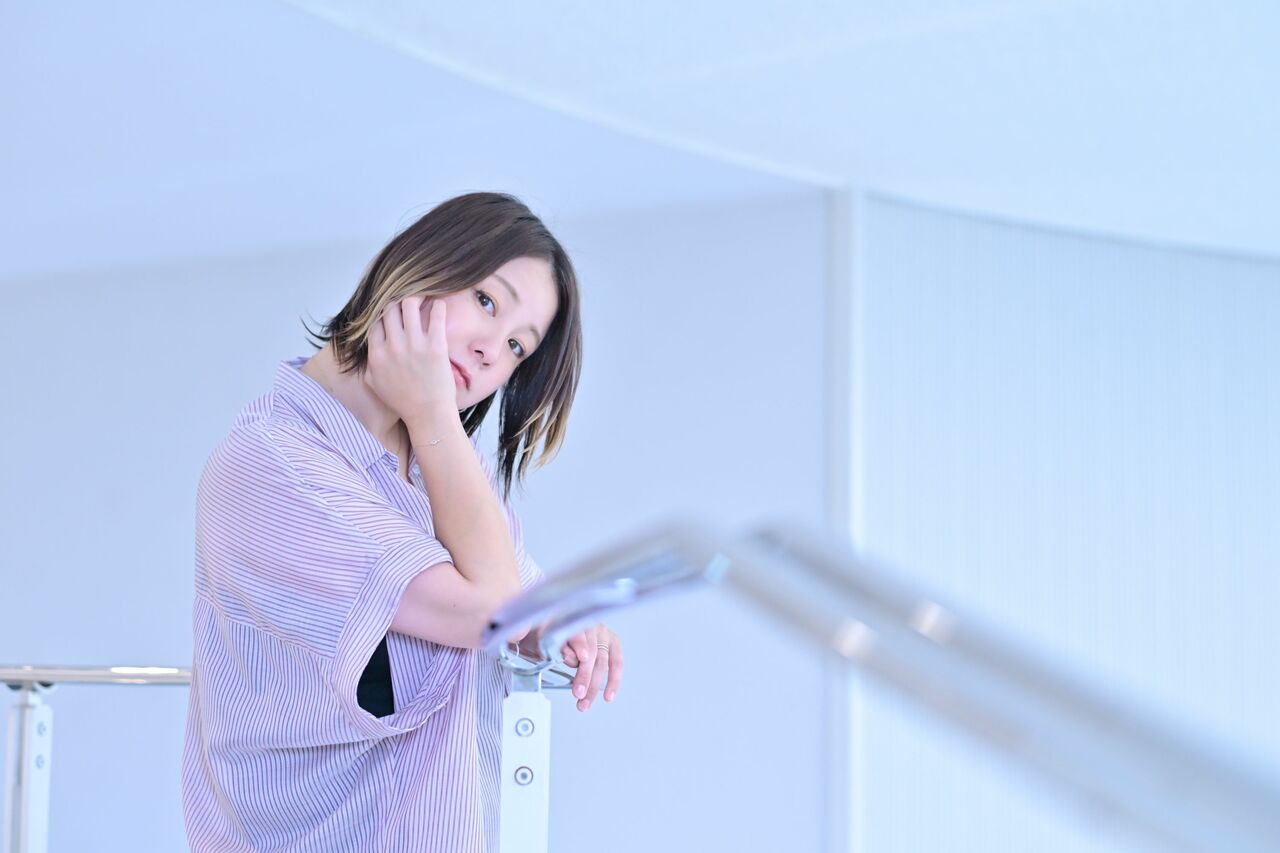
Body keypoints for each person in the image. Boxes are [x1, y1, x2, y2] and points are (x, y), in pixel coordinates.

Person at [181, 192, 624, 852]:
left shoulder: (438, 468)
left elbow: (519, 606)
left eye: (516, 346)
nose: (490, 352)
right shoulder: (274, 463)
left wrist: (561, 625)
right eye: (486, 300)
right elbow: (492, 610)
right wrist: (435, 414)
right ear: (417, 265)